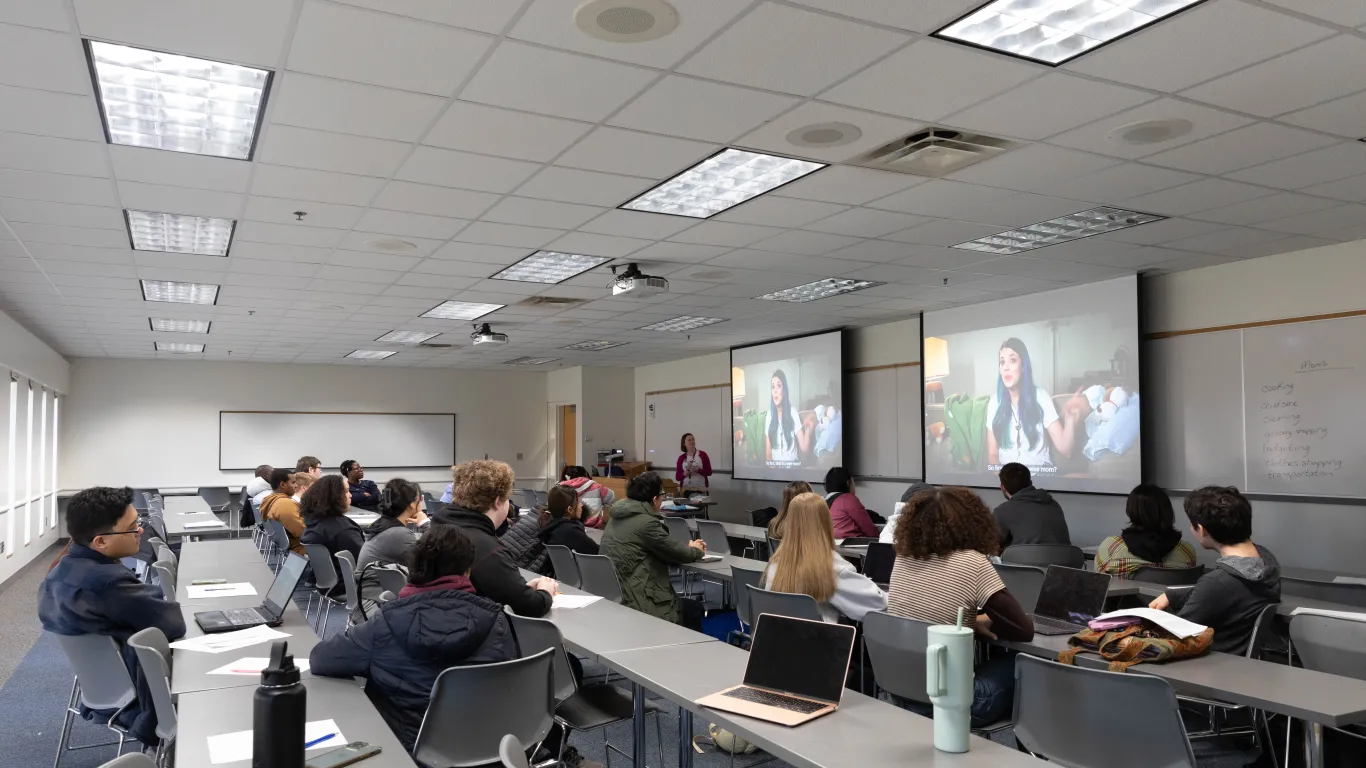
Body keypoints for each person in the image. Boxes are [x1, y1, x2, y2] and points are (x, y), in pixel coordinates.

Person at [310, 525, 517, 755]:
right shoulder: (497, 620)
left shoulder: (386, 622)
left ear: (414, 569)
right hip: (484, 747)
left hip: (405, 750)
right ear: (467, 572)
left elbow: (320, 659)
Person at [38, 486, 186, 747]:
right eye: (132, 527)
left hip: (101, 687)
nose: (140, 530)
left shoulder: (59, 572)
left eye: (138, 523)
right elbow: (174, 624)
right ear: (101, 541)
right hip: (141, 696)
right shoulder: (107, 583)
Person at [887, 486, 1033, 727]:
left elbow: (927, 614)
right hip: (962, 702)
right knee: (1028, 664)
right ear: (972, 522)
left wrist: (970, 622)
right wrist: (979, 621)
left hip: (903, 692)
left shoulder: (902, 558)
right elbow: (1023, 629)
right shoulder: (973, 563)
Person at [1148, 486, 1280, 655]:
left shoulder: (1217, 583)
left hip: (1204, 667)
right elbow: (1232, 592)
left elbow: (1172, 639)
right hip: (1240, 665)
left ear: (1202, 530)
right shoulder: (1267, 560)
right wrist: (1173, 595)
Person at [431, 460, 556, 616]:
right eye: (507, 499)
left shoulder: (440, 527)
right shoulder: (485, 548)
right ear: (498, 502)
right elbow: (530, 606)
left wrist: (519, 590)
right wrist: (545, 591)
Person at [601, 471, 708, 629]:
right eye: (662, 495)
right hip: (641, 600)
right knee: (693, 609)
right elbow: (680, 553)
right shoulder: (647, 523)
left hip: (618, 595)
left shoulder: (616, 517)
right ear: (654, 499)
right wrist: (696, 549)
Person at [760, 492, 886, 623]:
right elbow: (877, 604)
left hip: (781, 638)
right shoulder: (832, 567)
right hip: (821, 640)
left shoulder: (775, 564)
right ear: (826, 521)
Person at [986, 337, 1087, 468]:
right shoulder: (994, 403)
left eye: (1012, 360)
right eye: (1002, 362)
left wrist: (1069, 419)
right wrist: (1003, 480)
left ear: (1023, 367)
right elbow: (993, 454)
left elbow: (1066, 451)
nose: (1006, 367)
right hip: (1008, 479)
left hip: (1039, 476)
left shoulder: (1040, 396)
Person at [1095, 484, 1197, 577]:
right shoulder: (1187, 551)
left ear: (1131, 511)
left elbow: (1098, 584)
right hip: (1169, 597)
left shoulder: (1111, 548)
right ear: (1168, 511)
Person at [300, 474, 364, 596]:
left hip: (327, 584)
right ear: (334, 497)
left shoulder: (314, 523)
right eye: (346, 492)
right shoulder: (343, 530)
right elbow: (363, 562)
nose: (350, 495)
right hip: (347, 586)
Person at [357, 478, 428, 572]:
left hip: (374, 584)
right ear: (412, 504)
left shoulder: (384, 524)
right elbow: (429, 563)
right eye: (420, 499)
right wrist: (425, 524)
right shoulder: (399, 534)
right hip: (379, 585)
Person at [994, 462, 1070, 549]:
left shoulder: (1002, 511)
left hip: (1022, 562)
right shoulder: (1053, 504)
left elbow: (991, 544)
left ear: (1002, 487)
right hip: (1063, 561)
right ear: (1030, 482)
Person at [537, 484, 600, 559]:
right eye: (578, 501)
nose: (581, 505)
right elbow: (597, 551)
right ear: (569, 509)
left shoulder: (551, 525)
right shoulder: (571, 531)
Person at [765, 369, 812, 463]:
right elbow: (768, 455)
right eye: (773, 387)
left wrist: (808, 429)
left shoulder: (792, 412)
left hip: (792, 469)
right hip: (776, 471)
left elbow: (805, 449)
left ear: (784, 390)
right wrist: (773, 469)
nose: (775, 391)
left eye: (778, 385)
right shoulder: (769, 415)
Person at [824, 466, 878, 539]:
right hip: (849, 545)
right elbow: (870, 530)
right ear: (848, 483)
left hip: (830, 544)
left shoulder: (824, 501)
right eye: (853, 482)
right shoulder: (849, 499)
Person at [260, 468, 304, 555]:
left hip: (292, 546)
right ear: (282, 484)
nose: (296, 486)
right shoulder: (284, 504)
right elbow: (303, 532)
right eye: (293, 482)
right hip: (301, 548)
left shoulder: (270, 500)